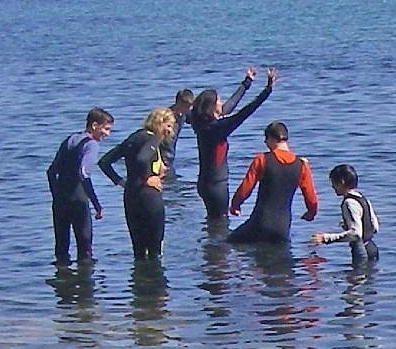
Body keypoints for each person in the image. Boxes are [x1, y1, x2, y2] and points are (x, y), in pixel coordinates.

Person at [188, 66, 277, 218]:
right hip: (216, 187)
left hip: (205, 184)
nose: (221, 102)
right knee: (220, 225)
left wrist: (247, 83)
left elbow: (230, 105)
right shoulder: (216, 129)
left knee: (213, 224)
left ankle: (208, 242)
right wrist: (267, 91)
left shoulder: (203, 124)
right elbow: (244, 113)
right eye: (219, 100)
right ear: (212, 107)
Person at [99, 108, 177, 261]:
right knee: (155, 252)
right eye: (168, 126)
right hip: (149, 198)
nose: (170, 131)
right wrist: (146, 179)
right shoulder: (152, 139)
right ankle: (154, 283)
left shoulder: (133, 138)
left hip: (131, 196)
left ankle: (139, 283)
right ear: (159, 123)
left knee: (139, 251)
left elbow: (104, 162)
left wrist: (121, 182)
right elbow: (142, 159)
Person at [43, 108, 118, 264]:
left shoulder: (70, 139)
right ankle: (84, 284)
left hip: (60, 200)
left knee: (61, 248)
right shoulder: (91, 145)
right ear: (94, 125)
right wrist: (97, 205)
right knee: (85, 249)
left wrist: (56, 195)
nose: (107, 134)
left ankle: (63, 283)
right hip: (78, 200)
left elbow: (51, 171)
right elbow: (84, 174)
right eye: (106, 129)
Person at [228, 121, 318, 245]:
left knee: (226, 244)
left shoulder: (262, 160)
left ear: (271, 138)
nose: (265, 143)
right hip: (282, 228)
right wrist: (311, 213)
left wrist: (235, 205)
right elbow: (311, 197)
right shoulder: (302, 165)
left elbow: (246, 188)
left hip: (260, 223)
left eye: (266, 139)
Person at [310, 163, 379, 263]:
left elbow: (356, 234)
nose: (332, 186)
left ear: (341, 182)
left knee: (357, 277)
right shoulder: (363, 199)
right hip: (372, 248)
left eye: (333, 183)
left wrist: (326, 238)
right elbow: (375, 227)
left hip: (361, 251)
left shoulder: (349, 203)